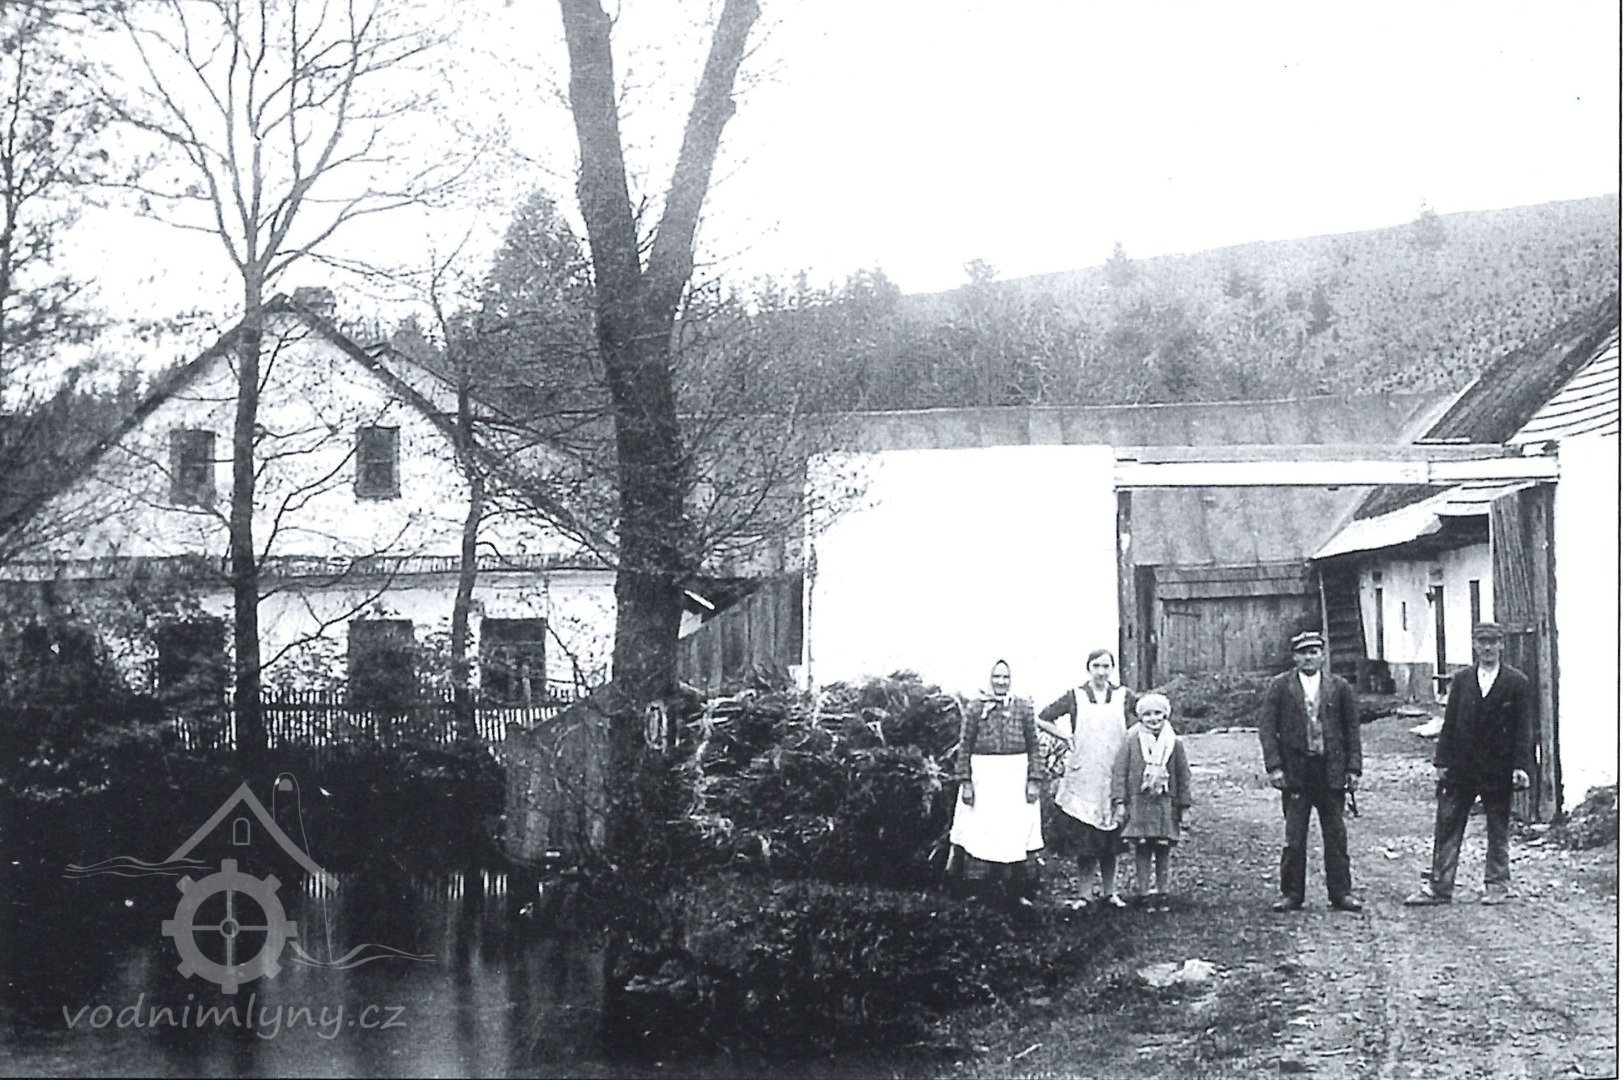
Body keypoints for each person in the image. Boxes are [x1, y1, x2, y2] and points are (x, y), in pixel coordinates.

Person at [1405, 621, 1536, 907]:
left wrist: (1520, 766)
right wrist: (1441, 761)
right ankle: (1439, 886)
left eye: (1493, 641)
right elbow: (1449, 723)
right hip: (1461, 767)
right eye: (1482, 641)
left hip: (1498, 768)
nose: (1487, 647)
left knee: (1498, 826)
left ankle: (1497, 884)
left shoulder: (1517, 682)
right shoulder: (1462, 680)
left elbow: (1523, 729)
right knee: (1448, 825)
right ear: (1474, 645)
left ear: (1502, 645)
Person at [1257, 630, 1364, 913]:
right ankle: (1292, 894)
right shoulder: (1281, 686)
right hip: (1296, 774)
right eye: (1303, 653)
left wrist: (1353, 768)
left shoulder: (1339, 687)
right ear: (1294, 657)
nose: (1308, 657)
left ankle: (1341, 893)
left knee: (1336, 836)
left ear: (1322, 656)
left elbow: (1352, 730)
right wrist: (1274, 767)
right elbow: (1267, 728)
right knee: (1294, 838)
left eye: (1314, 652)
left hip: (1331, 772)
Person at [1038, 648, 1134, 909]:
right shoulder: (1075, 695)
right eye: (1096, 666)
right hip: (1085, 774)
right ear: (1088, 668)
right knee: (1086, 837)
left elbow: (1147, 715)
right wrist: (1066, 737)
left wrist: (1133, 743)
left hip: (1113, 771)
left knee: (1112, 835)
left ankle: (1110, 892)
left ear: (1112, 669)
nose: (1101, 672)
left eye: (1106, 666)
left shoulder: (1123, 695)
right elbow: (1043, 718)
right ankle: (1084, 894)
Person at [950, 659, 1044, 908]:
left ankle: (1020, 890)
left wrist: (1034, 780)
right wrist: (966, 782)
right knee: (981, 831)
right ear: (989, 679)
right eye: (996, 677)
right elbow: (965, 747)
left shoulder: (1023, 707)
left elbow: (1034, 746)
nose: (1001, 682)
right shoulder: (975, 707)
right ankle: (978, 890)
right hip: (985, 778)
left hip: (1016, 777)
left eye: (1005, 677)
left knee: (1018, 831)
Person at [1112, 692, 1192, 910]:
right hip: (1140, 803)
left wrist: (1184, 806)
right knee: (1143, 848)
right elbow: (1120, 771)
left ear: (1165, 715)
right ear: (1140, 717)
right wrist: (1120, 801)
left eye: (1158, 713)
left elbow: (1183, 776)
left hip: (1166, 803)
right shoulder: (1131, 740)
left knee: (1163, 848)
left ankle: (1163, 891)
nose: (1153, 718)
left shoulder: (1174, 742)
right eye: (1147, 714)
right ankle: (1144, 892)